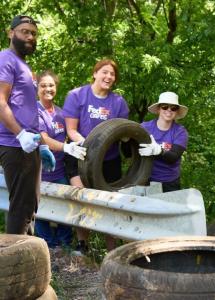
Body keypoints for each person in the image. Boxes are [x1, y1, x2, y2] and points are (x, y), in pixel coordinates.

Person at [63, 58, 129, 254]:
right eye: (104, 72)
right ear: (95, 73)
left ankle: (112, 251)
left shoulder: (118, 102)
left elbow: (123, 132)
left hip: (108, 160)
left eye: (112, 74)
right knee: (83, 199)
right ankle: (83, 245)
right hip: (79, 154)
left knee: (110, 204)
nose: (108, 77)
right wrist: (87, 144)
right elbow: (71, 130)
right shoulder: (76, 95)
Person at [0, 15, 55, 235]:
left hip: (28, 145)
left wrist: (40, 144)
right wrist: (21, 134)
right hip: (15, 144)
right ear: (11, 33)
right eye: (24, 31)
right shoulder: (6, 59)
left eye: (33, 33)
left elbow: (27, 110)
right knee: (22, 209)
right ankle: (12, 265)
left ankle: (25, 260)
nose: (30, 36)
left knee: (28, 207)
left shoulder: (23, 65)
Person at [34, 70, 86, 248]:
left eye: (51, 85)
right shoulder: (34, 111)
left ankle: (64, 245)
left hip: (60, 171)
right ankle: (48, 245)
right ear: (37, 88)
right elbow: (43, 138)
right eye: (43, 85)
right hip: (39, 172)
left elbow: (71, 133)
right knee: (41, 211)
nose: (48, 88)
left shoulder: (61, 113)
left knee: (65, 208)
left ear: (56, 87)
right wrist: (66, 147)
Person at [139, 91, 188, 192]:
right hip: (145, 178)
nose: (169, 110)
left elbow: (173, 157)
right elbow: (130, 152)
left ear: (177, 111)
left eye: (173, 108)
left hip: (170, 182)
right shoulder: (145, 127)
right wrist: (125, 140)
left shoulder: (180, 132)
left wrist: (159, 151)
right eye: (165, 107)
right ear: (158, 109)